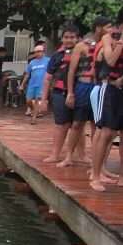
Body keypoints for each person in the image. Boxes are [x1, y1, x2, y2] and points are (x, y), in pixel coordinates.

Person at [58, 16, 112, 169]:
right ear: (99, 28)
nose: (111, 30)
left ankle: (96, 161)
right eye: (108, 27)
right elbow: (72, 71)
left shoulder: (108, 45)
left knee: (97, 125)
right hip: (83, 86)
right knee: (77, 124)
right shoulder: (82, 46)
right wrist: (70, 93)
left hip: (101, 86)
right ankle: (69, 156)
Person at [90, 20, 123, 190]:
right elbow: (110, 61)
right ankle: (95, 176)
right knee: (106, 132)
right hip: (108, 89)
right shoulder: (108, 38)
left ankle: (121, 177)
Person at [41, 24, 82, 162]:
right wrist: (44, 100)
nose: (69, 40)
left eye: (72, 37)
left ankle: (80, 155)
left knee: (78, 124)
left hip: (80, 92)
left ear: (78, 38)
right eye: (66, 37)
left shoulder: (84, 54)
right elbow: (47, 78)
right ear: (62, 38)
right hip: (60, 93)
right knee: (61, 125)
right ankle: (55, 154)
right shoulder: (57, 56)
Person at [20, 44, 50, 124]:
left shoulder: (48, 60)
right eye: (35, 52)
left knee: (37, 101)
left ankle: (34, 118)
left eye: (39, 51)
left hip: (41, 85)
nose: (37, 53)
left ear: (43, 52)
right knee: (28, 101)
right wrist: (22, 84)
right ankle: (33, 110)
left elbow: (52, 72)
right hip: (32, 84)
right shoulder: (32, 62)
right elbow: (27, 74)